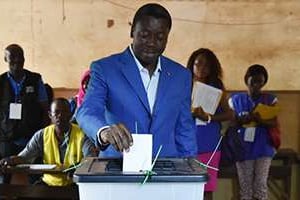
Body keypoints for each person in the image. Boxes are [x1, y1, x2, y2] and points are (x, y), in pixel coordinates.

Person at [76, 3, 197, 158]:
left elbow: (184, 128)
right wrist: (104, 131)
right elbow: (87, 111)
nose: (152, 43)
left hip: (166, 171)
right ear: (132, 31)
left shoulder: (181, 76)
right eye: (145, 35)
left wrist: (191, 169)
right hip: (119, 170)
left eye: (160, 37)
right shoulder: (105, 69)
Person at [0, 98, 96, 186]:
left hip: (73, 184)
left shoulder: (82, 134)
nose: (60, 116)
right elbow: (24, 157)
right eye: (56, 112)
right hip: (48, 183)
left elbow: (90, 158)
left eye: (65, 112)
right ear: (50, 115)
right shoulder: (42, 135)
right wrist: (9, 160)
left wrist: (78, 167)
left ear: (70, 114)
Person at [187, 48, 233, 200]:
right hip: (186, 142)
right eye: (198, 64)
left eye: (206, 65)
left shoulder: (216, 87)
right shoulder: (183, 84)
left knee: (207, 188)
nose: (201, 68)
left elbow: (229, 114)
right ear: (191, 65)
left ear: (212, 68)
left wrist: (208, 117)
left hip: (209, 143)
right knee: (187, 186)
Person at [0, 44, 49, 183]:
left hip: (31, 137)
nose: (16, 61)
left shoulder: (35, 79)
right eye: (12, 58)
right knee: (3, 176)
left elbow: (45, 109)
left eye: (20, 57)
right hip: (7, 139)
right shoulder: (1, 82)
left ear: (24, 58)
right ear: (5, 59)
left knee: (35, 177)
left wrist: (43, 135)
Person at [228, 64, 277, 200]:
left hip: (263, 148)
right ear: (246, 80)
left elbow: (274, 122)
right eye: (253, 81)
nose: (256, 85)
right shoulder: (236, 100)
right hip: (243, 148)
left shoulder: (270, 100)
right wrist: (241, 119)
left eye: (259, 82)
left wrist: (260, 120)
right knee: (245, 188)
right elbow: (231, 123)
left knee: (260, 186)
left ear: (264, 83)